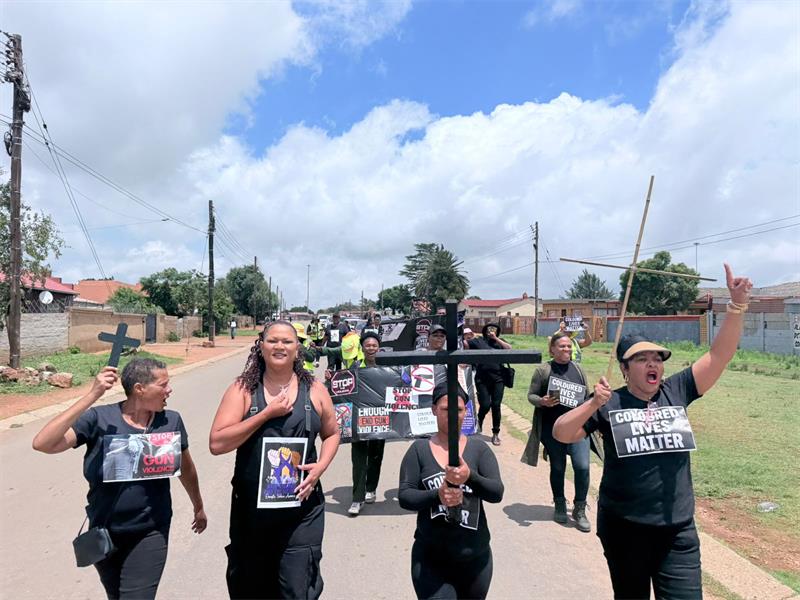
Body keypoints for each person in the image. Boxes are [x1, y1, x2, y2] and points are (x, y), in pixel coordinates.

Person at [553, 264, 752, 600]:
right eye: (642, 359)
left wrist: (736, 306)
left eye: (657, 358)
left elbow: (719, 355)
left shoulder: (677, 390)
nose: (653, 364)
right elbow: (562, 433)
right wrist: (591, 404)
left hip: (678, 530)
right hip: (624, 529)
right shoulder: (609, 401)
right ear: (624, 368)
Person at [32, 358, 207, 600]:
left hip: (150, 531)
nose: (169, 390)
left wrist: (198, 506)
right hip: (104, 533)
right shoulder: (99, 420)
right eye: (163, 384)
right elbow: (43, 443)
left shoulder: (170, 421)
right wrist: (92, 395)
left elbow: (186, 469)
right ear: (139, 389)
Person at [209, 321, 340, 599]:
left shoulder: (315, 389)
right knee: (251, 588)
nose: (279, 346)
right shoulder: (243, 389)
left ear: (297, 349)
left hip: (301, 512)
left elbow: (332, 433)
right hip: (251, 514)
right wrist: (266, 414)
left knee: (297, 588)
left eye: (287, 342)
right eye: (272, 341)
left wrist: (321, 466)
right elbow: (217, 443)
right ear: (261, 346)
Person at [399, 382, 504, 600]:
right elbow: (405, 496)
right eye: (446, 409)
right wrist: (436, 495)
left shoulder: (479, 450)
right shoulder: (419, 450)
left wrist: (470, 477)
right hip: (431, 559)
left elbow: (496, 493)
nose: (453, 415)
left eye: (459, 409)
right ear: (434, 410)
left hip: (475, 559)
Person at [522, 332, 592, 531]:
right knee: (558, 467)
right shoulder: (543, 370)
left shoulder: (578, 369)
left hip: (578, 429)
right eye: (562, 346)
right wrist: (542, 401)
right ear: (552, 349)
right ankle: (560, 503)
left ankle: (580, 509)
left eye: (569, 346)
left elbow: (585, 397)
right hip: (552, 430)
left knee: (582, 467)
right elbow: (531, 396)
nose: (567, 350)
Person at [322, 330, 387, 516]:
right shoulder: (355, 367)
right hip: (359, 421)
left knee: (376, 455)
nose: (371, 348)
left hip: (381, 419)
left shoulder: (388, 368)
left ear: (379, 348)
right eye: (368, 345)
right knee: (358, 459)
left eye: (374, 345)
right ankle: (357, 499)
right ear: (362, 348)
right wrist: (330, 380)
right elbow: (341, 389)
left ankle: (370, 489)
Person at [467, 323, 512, 446]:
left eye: (494, 329)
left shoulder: (500, 342)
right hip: (482, 379)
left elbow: (509, 349)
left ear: (497, 331)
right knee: (485, 405)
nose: (491, 331)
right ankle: (480, 419)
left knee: (496, 405)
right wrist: (464, 335)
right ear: (484, 330)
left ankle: (496, 433)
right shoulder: (478, 341)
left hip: (498, 379)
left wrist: (496, 339)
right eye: (488, 329)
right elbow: (466, 345)